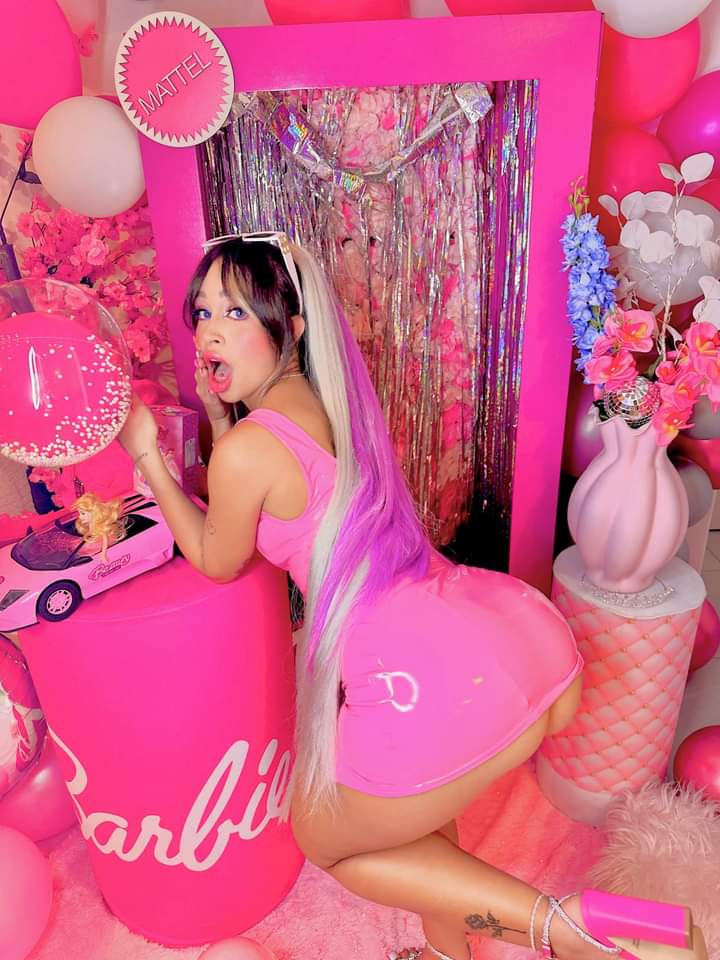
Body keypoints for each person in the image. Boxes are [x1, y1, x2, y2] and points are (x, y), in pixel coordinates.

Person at [118, 233, 705, 960]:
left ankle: (573, 931)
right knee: (407, 815)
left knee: (327, 843)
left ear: (289, 326)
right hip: (510, 638)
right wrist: (218, 417)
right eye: (202, 311)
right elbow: (267, 480)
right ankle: (450, 952)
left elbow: (216, 557)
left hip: (425, 682)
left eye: (235, 311)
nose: (208, 330)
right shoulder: (334, 407)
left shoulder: (247, 451)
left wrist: (147, 456)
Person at [73, 492, 125, 563]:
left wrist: (103, 554)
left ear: (94, 514)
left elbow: (105, 538)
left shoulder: (98, 528)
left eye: (83, 513)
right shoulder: (90, 525)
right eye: (79, 513)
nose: (80, 516)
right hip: (94, 541)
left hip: (97, 544)